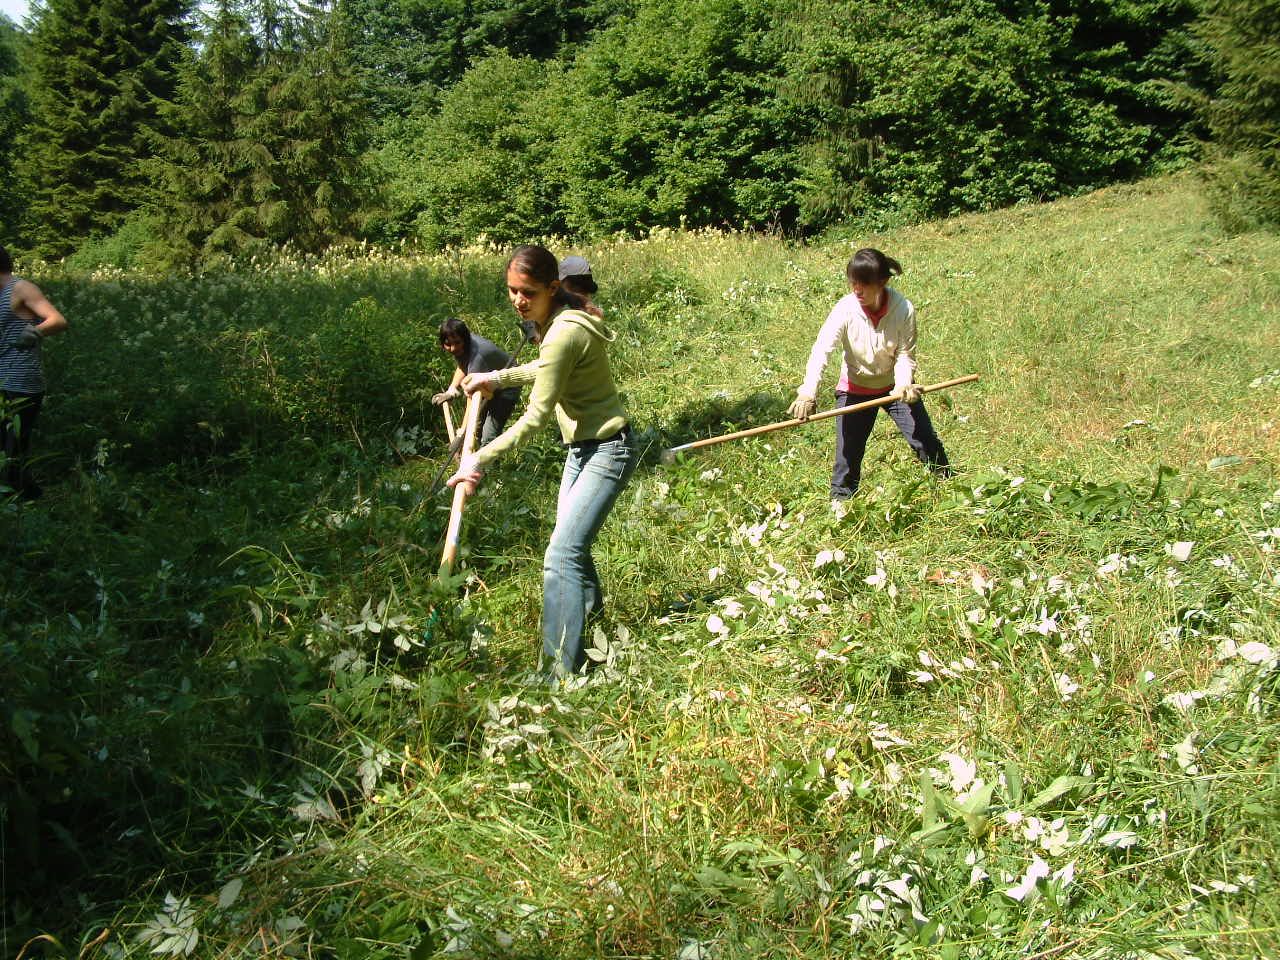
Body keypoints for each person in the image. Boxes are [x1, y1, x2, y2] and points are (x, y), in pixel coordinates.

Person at [448, 245, 637, 679]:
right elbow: (544, 367)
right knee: (570, 544)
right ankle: (588, 620)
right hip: (582, 449)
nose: (518, 300)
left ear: (552, 288)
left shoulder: (565, 330)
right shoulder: (554, 325)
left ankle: (557, 673)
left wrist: (476, 457)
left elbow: (534, 416)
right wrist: (495, 377)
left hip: (608, 449)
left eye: (528, 292)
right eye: (512, 291)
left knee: (562, 554)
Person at [788, 247, 950, 501]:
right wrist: (808, 391)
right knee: (847, 455)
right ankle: (841, 505)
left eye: (864, 284)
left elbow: (905, 354)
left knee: (924, 439)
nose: (857, 290)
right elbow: (822, 350)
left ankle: (950, 487)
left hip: (894, 387)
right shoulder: (845, 309)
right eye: (853, 282)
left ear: (882, 282)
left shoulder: (903, 309)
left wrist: (904, 384)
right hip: (855, 388)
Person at [1, 245, 69, 500]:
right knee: (6, 449)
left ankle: (23, 500)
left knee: (14, 448)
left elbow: (58, 320)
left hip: (21, 382)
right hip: (2, 378)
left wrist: (36, 332)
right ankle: (25, 495)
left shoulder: (21, 289)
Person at [431, 317, 521, 447]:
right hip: (487, 380)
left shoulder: (478, 357)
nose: (453, 348)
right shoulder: (462, 343)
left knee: (488, 436)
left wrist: (461, 433)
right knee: (475, 427)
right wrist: (452, 389)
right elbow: (462, 364)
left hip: (508, 384)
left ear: (465, 339)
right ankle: (472, 460)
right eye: (448, 344)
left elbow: (473, 399)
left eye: (457, 343)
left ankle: (490, 466)